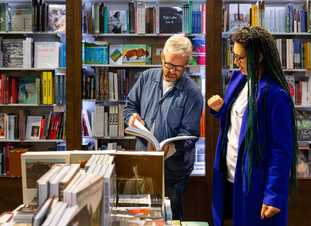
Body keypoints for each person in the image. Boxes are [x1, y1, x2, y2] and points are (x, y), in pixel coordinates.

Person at [208, 26, 297, 226]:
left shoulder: (276, 95)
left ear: (258, 57)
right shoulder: (240, 78)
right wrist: (219, 110)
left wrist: (273, 195)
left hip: (255, 184)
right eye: (234, 56)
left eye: (240, 57)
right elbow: (238, 125)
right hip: (229, 177)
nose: (235, 62)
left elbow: (281, 150)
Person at [123, 34, 203, 220]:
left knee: (170, 217)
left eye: (178, 68)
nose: (171, 71)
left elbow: (191, 134)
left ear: (186, 65)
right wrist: (131, 117)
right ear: (162, 58)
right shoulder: (146, 78)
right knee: (143, 217)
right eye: (168, 65)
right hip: (143, 162)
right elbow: (129, 106)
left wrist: (172, 147)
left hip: (174, 171)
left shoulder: (192, 93)